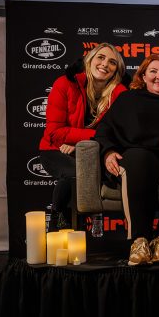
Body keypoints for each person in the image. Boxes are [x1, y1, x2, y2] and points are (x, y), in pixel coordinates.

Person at [94, 54, 159, 265]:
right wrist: (108, 152)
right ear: (143, 76)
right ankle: (139, 240)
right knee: (139, 158)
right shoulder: (128, 100)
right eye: (153, 71)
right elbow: (104, 130)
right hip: (137, 162)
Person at [38, 43, 127, 229]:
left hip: (93, 151)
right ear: (89, 60)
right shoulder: (64, 83)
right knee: (76, 174)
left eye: (112, 62)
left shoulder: (120, 94)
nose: (105, 64)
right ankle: (58, 223)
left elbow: (118, 134)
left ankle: (70, 227)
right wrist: (91, 139)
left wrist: (83, 146)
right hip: (56, 149)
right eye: (100, 57)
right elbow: (55, 132)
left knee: (96, 171)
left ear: (116, 71)